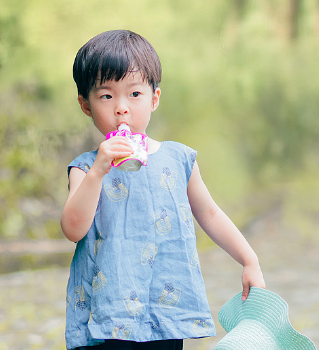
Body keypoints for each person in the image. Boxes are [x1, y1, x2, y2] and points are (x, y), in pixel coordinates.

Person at [60, 30, 266, 350]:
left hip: (164, 311)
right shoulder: (86, 168)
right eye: (106, 96)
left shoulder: (178, 159)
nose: (121, 108)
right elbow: (73, 229)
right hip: (108, 314)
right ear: (85, 105)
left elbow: (209, 214)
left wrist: (249, 259)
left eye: (135, 94)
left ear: (155, 98)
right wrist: (100, 170)